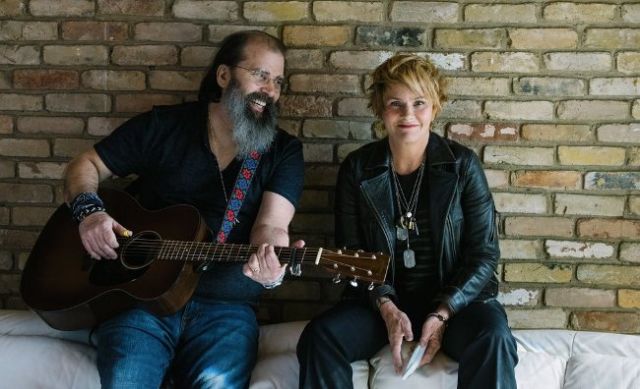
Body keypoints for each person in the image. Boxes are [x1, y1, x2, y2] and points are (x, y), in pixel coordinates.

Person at [63, 30, 304, 389]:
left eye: (278, 82)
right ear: (223, 76)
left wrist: (271, 266)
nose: (270, 90)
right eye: (260, 75)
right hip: (141, 300)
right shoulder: (165, 126)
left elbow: (271, 226)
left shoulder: (282, 151)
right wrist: (90, 213)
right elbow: (85, 164)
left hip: (226, 308)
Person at [297, 54, 518, 389]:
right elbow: (351, 253)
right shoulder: (357, 169)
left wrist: (443, 312)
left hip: (457, 307)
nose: (408, 115)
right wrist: (385, 306)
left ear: (435, 106)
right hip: (379, 305)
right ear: (380, 108)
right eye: (395, 104)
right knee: (320, 336)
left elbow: (484, 254)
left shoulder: (462, 167)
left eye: (419, 103)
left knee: (494, 337)